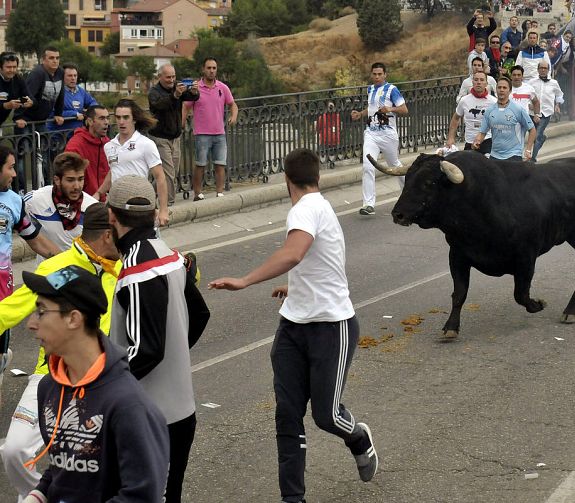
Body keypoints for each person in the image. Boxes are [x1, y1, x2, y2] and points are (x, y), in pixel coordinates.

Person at [209, 148, 378, 503]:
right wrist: (295, 285)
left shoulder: (307, 208)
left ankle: (358, 438)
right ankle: (293, 498)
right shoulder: (316, 207)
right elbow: (319, 260)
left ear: (286, 179)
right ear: (317, 176)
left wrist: (245, 280)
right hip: (293, 326)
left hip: (333, 327)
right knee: (287, 415)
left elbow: (294, 253)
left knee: (326, 416)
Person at [0, 203, 120, 502]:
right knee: (15, 450)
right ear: (107, 236)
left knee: (96, 464)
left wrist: (187, 269)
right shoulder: (57, 269)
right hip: (49, 377)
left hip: (103, 381)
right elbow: (10, 309)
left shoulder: (125, 268)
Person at [20, 265, 169, 503]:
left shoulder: (129, 405)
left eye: (41, 311)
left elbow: (143, 495)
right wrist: (38, 496)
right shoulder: (48, 387)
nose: (30, 323)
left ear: (73, 318)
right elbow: (63, 464)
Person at [107, 174, 209, 503]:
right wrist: (177, 357)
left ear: (111, 217)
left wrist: (101, 383)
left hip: (148, 418)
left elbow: (146, 350)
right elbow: (200, 314)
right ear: (153, 214)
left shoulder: (137, 268)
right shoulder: (167, 253)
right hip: (180, 411)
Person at [0, 144, 60, 403]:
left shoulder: (14, 202)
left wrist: (70, 262)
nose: (14, 174)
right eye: (10, 167)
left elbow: (37, 240)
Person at [95, 99, 170, 227]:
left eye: (126, 117)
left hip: (139, 203)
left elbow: (160, 177)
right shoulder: (109, 146)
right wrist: (99, 193)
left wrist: (163, 210)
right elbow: (113, 171)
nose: (121, 122)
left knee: (143, 243)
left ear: (134, 119)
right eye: (118, 117)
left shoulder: (146, 144)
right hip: (116, 202)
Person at [350, 63, 408, 216]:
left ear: (385, 75)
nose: (376, 77)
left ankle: (408, 194)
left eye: (379, 74)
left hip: (388, 134)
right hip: (371, 133)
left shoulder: (392, 90)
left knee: (394, 165)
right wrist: (360, 114)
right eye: (374, 74)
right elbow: (372, 108)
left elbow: (404, 109)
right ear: (371, 75)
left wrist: (390, 109)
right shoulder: (370, 89)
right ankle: (368, 204)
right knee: (368, 166)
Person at [23, 151, 99, 257]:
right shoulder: (35, 200)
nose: (77, 186)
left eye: (80, 179)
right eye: (70, 180)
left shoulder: (93, 208)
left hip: (82, 272)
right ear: (57, 180)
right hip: (47, 272)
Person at [183, 57, 238, 201]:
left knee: (220, 164)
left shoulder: (222, 87)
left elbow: (233, 104)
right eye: (209, 68)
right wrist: (182, 123)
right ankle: (197, 193)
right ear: (203, 69)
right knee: (200, 165)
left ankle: (219, 192)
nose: (211, 71)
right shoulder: (196, 88)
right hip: (202, 134)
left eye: (214, 68)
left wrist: (234, 116)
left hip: (219, 133)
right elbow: (185, 106)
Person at [13, 46, 65, 192]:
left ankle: (48, 187)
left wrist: (58, 113)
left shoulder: (60, 72)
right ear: (44, 60)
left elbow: (61, 94)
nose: (55, 61)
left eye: (57, 58)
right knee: (22, 156)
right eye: (51, 58)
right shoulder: (37, 74)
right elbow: (25, 95)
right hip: (26, 120)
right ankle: (21, 189)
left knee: (45, 154)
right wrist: (19, 117)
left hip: (41, 121)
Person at [148, 64, 199, 206]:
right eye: (168, 77)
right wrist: (175, 95)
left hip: (175, 137)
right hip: (160, 138)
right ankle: (168, 204)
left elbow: (192, 97)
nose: (171, 80)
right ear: (160, 77)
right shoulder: (154, 92)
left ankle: (147, 192)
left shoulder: (177, 86)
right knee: (169, 173)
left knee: (172, 172)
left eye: (174, 76)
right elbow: (160, 105)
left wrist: (194, 91)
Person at [472, 77, 536, 161]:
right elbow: (482, 132)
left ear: (510, 91)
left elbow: (532, 130)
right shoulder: (490, 111)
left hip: (514, 155)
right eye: (499, 87)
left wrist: (528, 150)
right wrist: (477, 141)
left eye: (504, 88)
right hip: (495, 155)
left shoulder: (518, 109)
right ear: (496, 90)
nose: (501, 90)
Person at [446, 70, 497, 154]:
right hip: (469, 142)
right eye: (476, 80)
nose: (478, 82)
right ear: (472, 82)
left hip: (488, 141)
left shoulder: (493, 101)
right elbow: (455, 118)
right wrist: (451, 138)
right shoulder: (464, 100)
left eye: (481, 80)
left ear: (486, 83)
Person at [65, 105, 110, 199]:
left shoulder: (108, 143)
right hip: (85, 202)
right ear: (90, 121)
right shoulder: (75, 145)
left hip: (107, 200)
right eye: (101, 118)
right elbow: (69, 178)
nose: (106, 122)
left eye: (107, 118)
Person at [528, 60, 563, 162]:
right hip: (533, 113)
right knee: (533, 135)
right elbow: (526, 95)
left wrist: (557, 105)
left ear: (548, 70)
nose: (543, 70)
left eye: (545, 68)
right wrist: (528, 104)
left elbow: (559, 94)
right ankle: (542, 138)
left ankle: (532, 158)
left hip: (546, 112)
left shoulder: (554, 83)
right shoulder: (531, 82)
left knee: (537, 135)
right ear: (538, 69)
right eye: (541, 68)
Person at [47, 63, 96, 134]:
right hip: (59, 136)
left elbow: (93, 102)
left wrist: (89, 111)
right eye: (69, 76)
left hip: (77, 135)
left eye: (75, 75)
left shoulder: (81, 91)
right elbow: (51, 112)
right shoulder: (55, 91)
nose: (73, 78)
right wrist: (74, 114)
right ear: (62, 77)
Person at [0, 52, 33, 130]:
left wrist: (30, 102)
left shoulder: (18, 79)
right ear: (0, 67)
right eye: (8, 67)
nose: (12, 70)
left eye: (14, 67)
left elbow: (28, 96)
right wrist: (5, 105)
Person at [316, 101, 341, 169]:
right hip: (331, 139)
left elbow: (318, 128)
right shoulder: (337, 116)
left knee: (326, 153)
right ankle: (331, 162)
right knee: (330, 153)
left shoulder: (323, 117)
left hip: (328, 139)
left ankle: (328, 163)